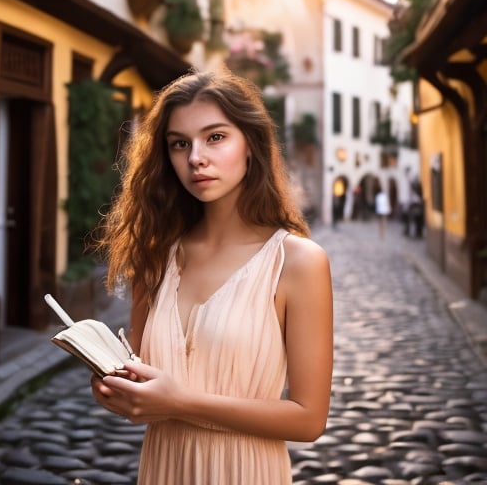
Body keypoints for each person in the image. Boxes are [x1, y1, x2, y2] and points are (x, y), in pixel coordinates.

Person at [91, 70, 333, 484]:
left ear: (250, 145)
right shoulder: (156, 256)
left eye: (215, 137)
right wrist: (117, 388)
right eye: (179, 143)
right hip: (164, 470)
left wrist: (181, 403)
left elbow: (308, 420)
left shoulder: (298, 262)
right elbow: (141, 374)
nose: (196, 157)